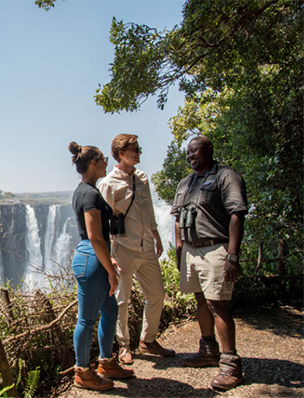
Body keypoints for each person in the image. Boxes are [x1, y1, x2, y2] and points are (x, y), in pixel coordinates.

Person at [171, 136, 247, 390]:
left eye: (195, 151)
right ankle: (208, 351)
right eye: (188, 153)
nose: (191, 156)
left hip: (216, 248)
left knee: (218, 304)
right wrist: (180, 251)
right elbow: (178, 221)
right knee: (201, 301)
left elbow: (237, 214)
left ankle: (231, 366)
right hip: (191, 251)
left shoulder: (226, 177)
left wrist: (232, 256)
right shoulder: (185, 183)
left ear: (210, 150)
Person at [97, 134, 175, 365]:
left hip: (147, 247)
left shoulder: (142, 178)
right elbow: (102, 221)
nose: (139, 153)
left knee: (157, 294)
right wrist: (109, 255)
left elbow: (148, 210)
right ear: (121, 154)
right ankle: (123, 346)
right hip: (123, 249)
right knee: (122, 300)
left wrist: (156, 236)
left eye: (139, 149)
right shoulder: (108, 183)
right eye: (135, 150)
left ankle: (148, 340)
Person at [68, 141, 134, 391]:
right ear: (94, 163)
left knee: (109, 311)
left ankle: (106, 362)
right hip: (92, 259)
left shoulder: (83, 190)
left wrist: (108, 258)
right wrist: (109, 269)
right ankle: (83, 372)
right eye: (104, 159)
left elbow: (96, 238)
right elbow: (95, 236)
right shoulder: (91, 194)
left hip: (94, 255)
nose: (108, 162)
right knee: (86, 319)